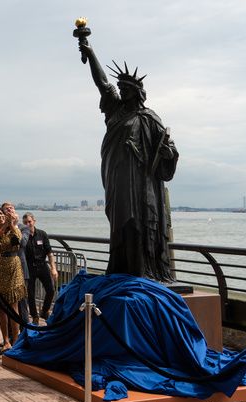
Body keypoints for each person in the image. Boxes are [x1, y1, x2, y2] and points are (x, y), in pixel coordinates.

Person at [77, 37, 179, 282]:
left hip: (143, 182)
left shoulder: (149, 118)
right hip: (117, 177)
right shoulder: (115, 110)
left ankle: (145, 270)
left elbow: (168, 148)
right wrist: (90, 53)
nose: (121, 92)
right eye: (120, 89)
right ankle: (123, 268)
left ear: (138, 93)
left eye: (126, 90)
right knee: (121, 223)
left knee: (139, 222)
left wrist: (169, 153)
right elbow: (102, 83)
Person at [0, 206, 27, 355]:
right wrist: (3, 228)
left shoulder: (13, 229)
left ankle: (15, 340)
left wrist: (12, 225)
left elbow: (19, 241)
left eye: (2, 214)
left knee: (13, 305)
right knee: (0, 307)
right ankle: (6, 340)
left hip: (13, 266)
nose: (0, 216)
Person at [22, 212, 58, 324]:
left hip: (42, 265)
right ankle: (35, 316)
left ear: (34, 221)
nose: (28, 224)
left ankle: (45, 310)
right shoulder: (23, 236)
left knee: (51, 290)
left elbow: (49, 252)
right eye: (25, 223)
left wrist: (53, 268)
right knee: (31, 294)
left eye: (29, 221)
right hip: (29, 267)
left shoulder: (42, 234)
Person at [2, 202, 30, 328]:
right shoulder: (1, 229)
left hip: (20, 268)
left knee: (22, 302)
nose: (9, 211)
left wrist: (14, 226)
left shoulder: (23, 227)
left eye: (11, 208)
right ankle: (9, 337)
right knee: (6, 303)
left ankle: (25, 332)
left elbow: (22, 243)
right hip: (5, 269)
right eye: (6, 210)